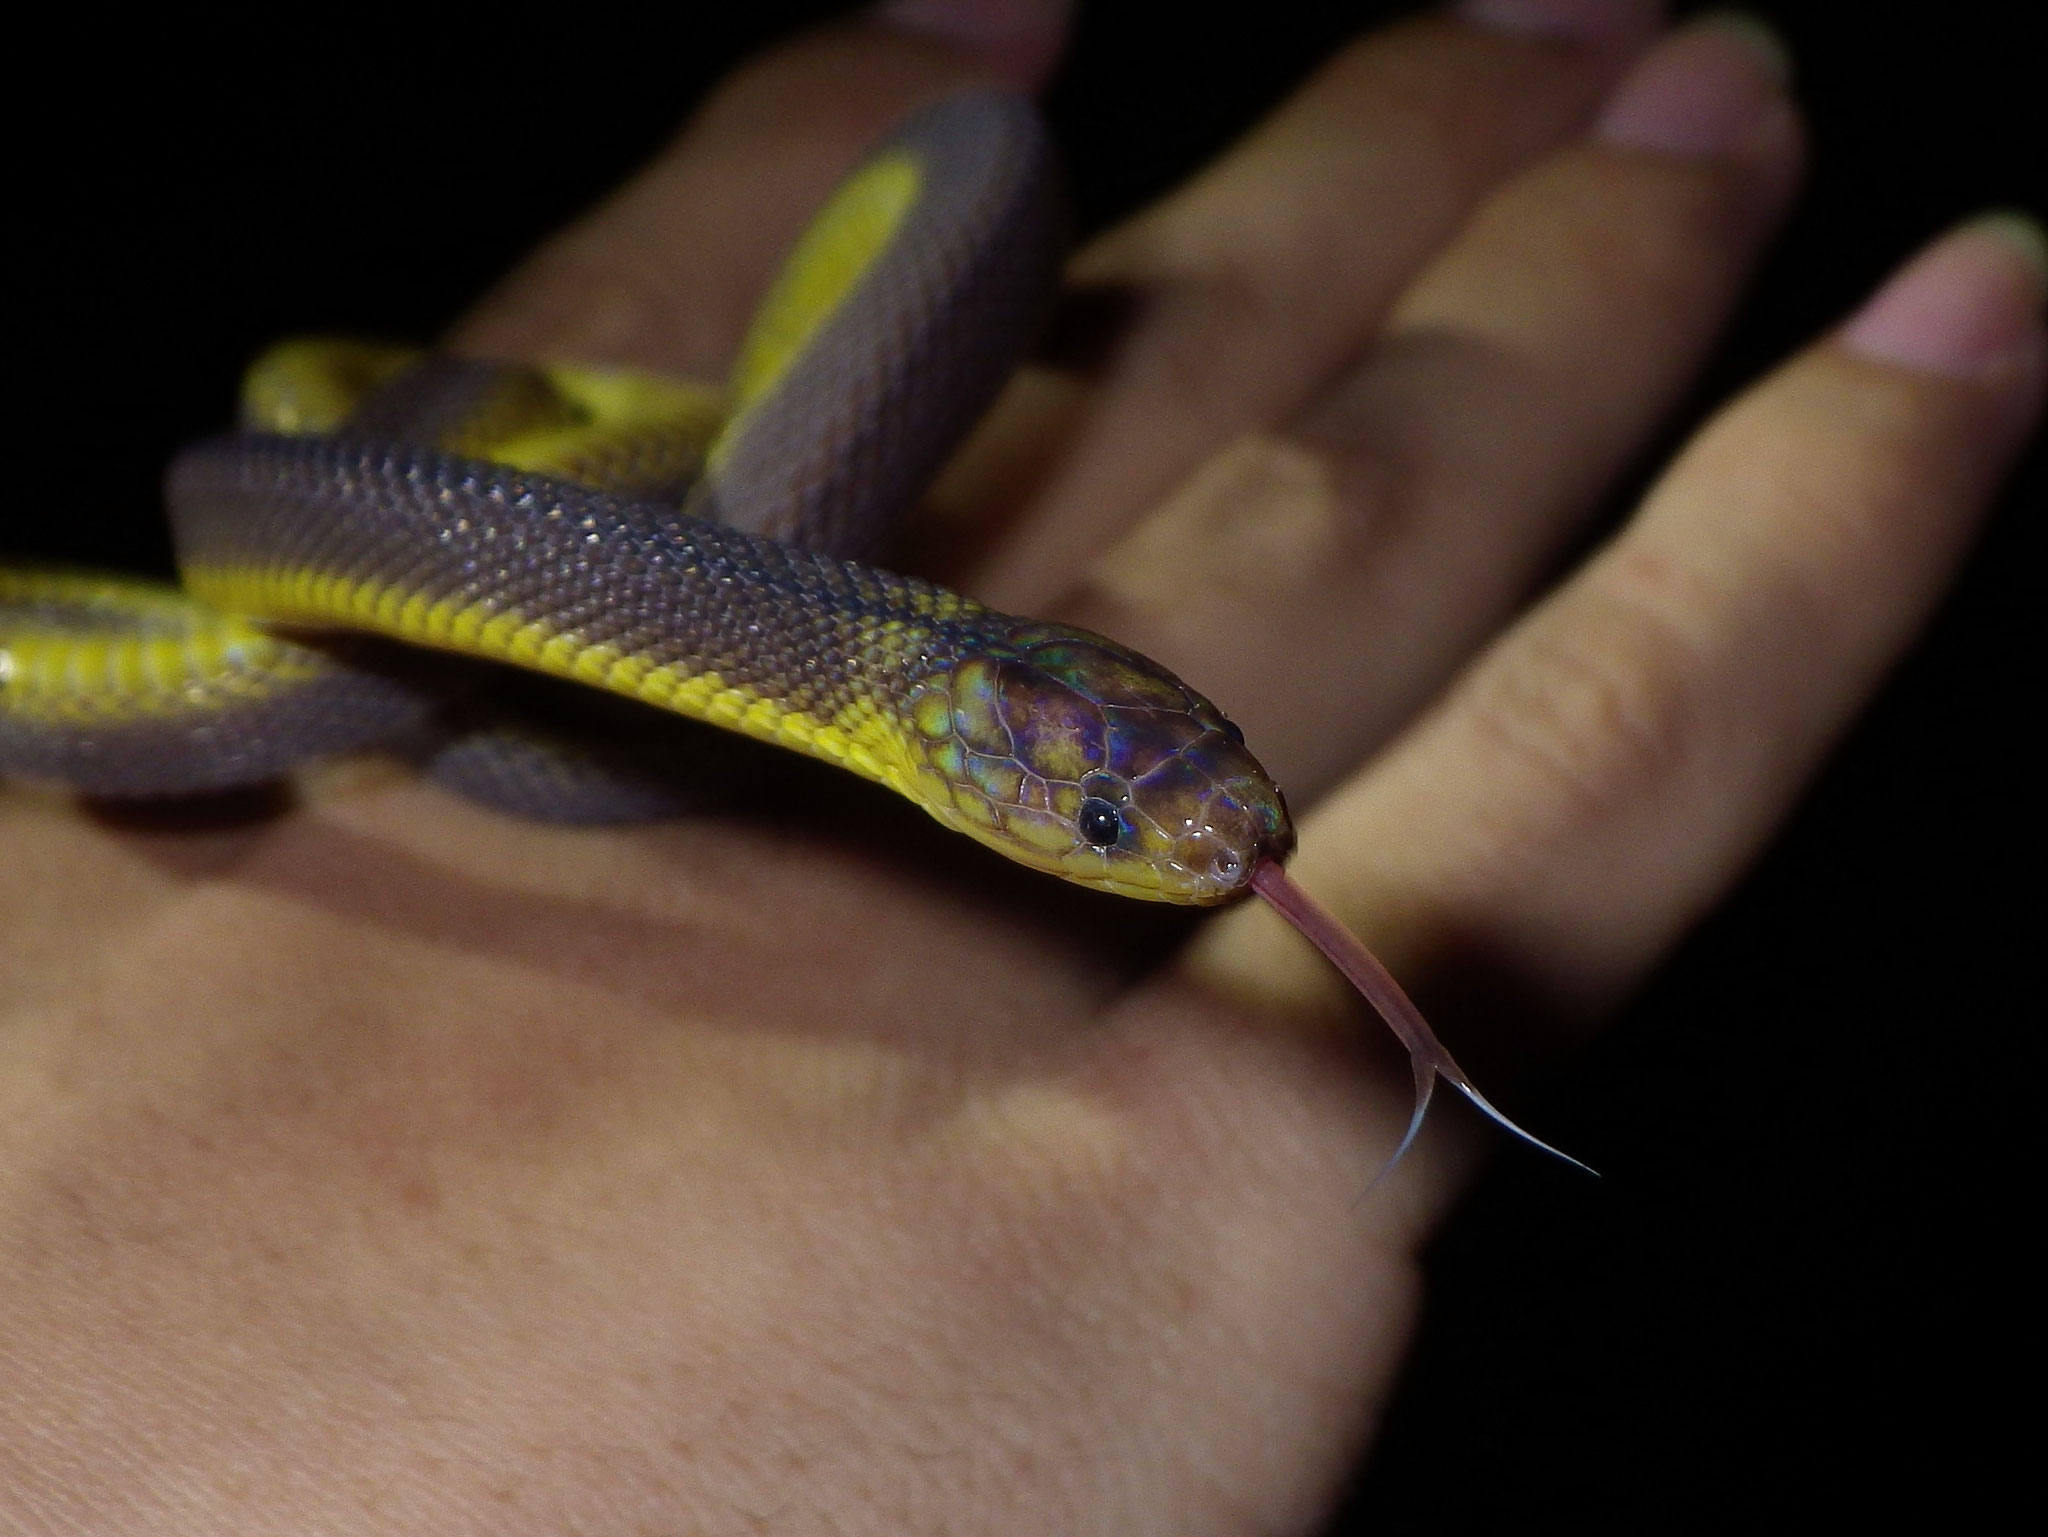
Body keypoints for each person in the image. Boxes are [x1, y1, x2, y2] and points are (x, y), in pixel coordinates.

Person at [2, 0, 2039, 1529]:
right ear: (974, 756)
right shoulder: (791, 651)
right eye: (1094, 816)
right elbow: (282, 508)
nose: (1209, 834)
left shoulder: (785, 644)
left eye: (1178, 773)